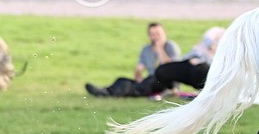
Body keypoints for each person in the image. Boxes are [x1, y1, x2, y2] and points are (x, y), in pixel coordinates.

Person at [87, 26, 220, 98]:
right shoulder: (146, 49)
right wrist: (138, 74)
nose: (155, 37)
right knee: (123, 80)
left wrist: (160, 49)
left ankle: (109, 94)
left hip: (165, 81)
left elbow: (170, 69)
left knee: (149, 81)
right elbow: (140, 67)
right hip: (152, 78)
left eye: (158, 33)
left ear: (164, 34)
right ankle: (106, 90)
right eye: (152, 34)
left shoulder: (170, 46)